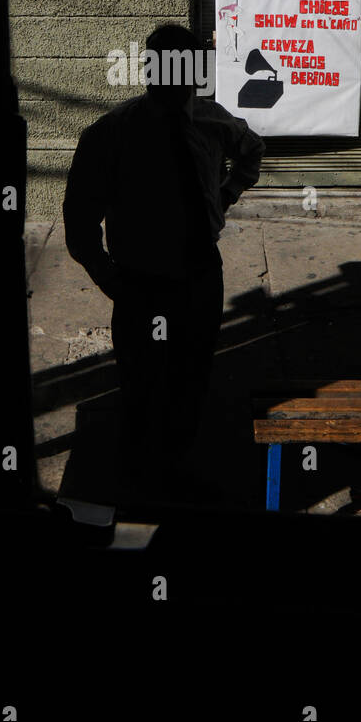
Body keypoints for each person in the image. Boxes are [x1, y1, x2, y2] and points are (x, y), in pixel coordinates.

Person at [62, 24, 264, 498]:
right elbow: (80, 218)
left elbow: (252, 150)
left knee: (190, 376)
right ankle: (139, 477)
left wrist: (228, 193)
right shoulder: (112, 134)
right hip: (142, 284)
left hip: (198, 276)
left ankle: (172, 466)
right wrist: (112, 279)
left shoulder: (211, 122)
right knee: (141, 381)